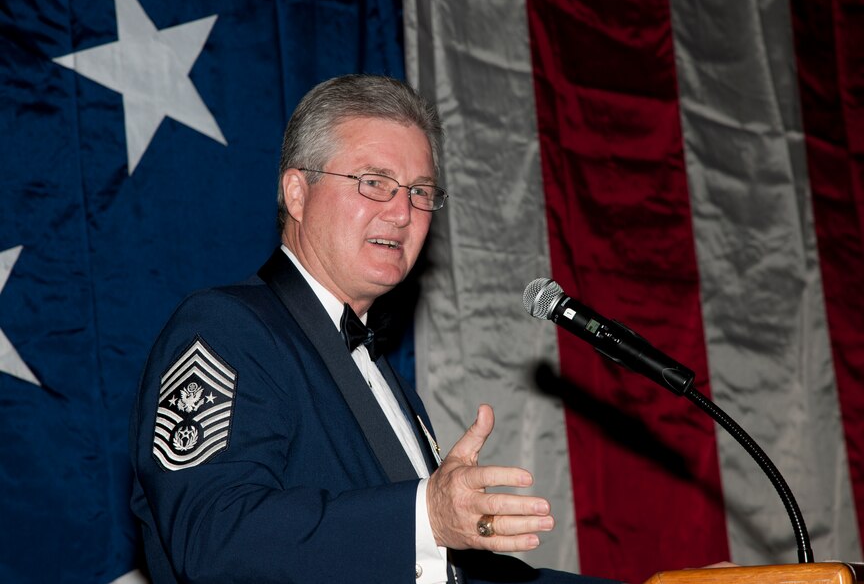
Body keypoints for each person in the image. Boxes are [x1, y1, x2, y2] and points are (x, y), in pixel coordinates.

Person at [130, 74, 618, 584]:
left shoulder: (383, 375)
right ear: (297, 193)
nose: (403, 211)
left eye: (420, 191)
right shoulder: (226, 328)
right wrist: (426, 514)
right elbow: (216, 538)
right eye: (374, 182)